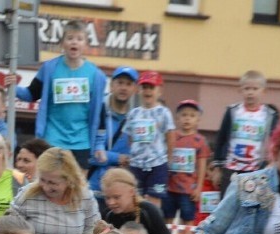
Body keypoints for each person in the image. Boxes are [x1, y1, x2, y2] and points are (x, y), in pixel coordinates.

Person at [14, 20, 107, 171]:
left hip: (81, 141)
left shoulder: (96, 76)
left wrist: (99, 144)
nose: (74, 42)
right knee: (51, 185)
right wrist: (13, 87)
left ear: (86, 44)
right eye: (70, 38)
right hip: (53, 139)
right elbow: (31, 94)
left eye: (79, 39)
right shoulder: (50, 68)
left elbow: (100, 113)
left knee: (77, 191)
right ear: (62, 42)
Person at [212, 70, 280, 194]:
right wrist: (217, 168)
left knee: (251, 206)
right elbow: (221, 138)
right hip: (231, 168)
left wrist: (271, 162)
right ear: (240, 90)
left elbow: (276, 142)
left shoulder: (269, 115)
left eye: (255, 89)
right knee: (228, 206)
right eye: (247, 88)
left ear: (263, 91)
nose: (250, 92)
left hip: (256, 170)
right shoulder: (233, 111)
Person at [88, 66, 138, 217]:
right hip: (93, 191)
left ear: (135, 88)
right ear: (111, 85)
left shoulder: (137, 119)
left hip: (121, 198)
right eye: (120, 83)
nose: (124, 88)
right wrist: (118, 158)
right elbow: (88, 154)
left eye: (128, 84)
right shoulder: (97, 112)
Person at [125, 71, 175, 207]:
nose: (147, 91)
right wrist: (134, 155)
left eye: (151, 88)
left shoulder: (164, 112)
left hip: (157, 164)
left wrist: (169, 160)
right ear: (139, 90)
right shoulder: (133, 113)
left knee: (154, 202)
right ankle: (135, 228)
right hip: (136, 165)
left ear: (159, 91)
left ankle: (152, 227)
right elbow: (129, 137)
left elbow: (170, 137)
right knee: (134, 201)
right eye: (144, 87)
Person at [101, 168, 175, 234]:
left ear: (131, 192)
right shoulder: (108, 215)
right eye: (107, 198)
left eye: (116, 197)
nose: (111, 202)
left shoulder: (148, 212)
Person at [164, 100, 211, 225]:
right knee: (167, 218)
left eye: (192, 116)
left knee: (188, 219)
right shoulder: (171, 137)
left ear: (198, 119)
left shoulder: (200, 140)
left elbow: (202, 165)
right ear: (177, 118)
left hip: (189, 190)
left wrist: (199, 187)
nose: (187, 119)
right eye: (184, 115)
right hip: (170, 187)